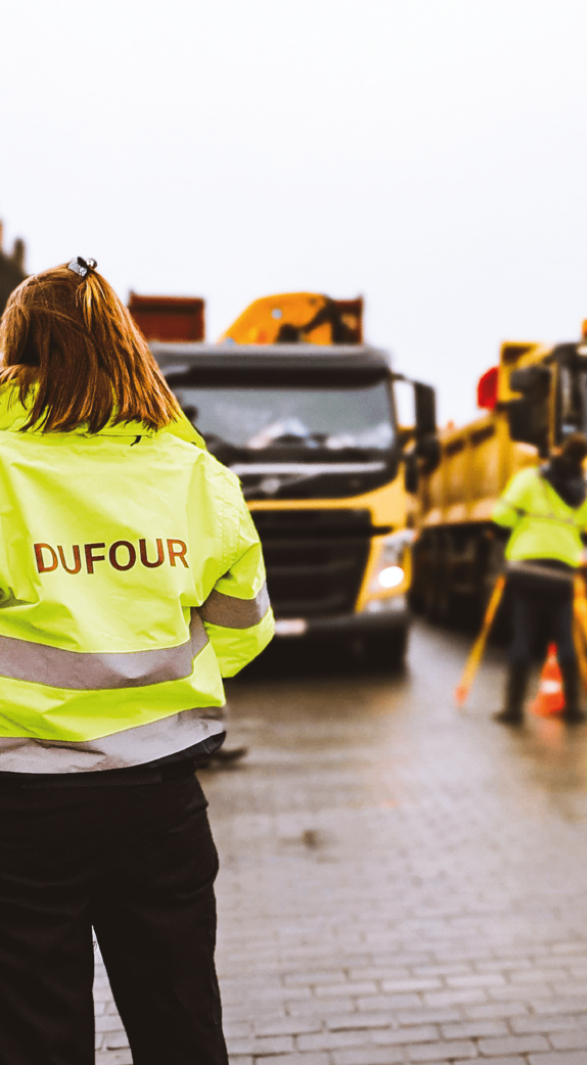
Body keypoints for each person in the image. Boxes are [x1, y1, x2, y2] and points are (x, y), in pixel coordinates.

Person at [0, 258, 274, 1065]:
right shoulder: (194, 475)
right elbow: (243, 629)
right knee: (181, 1022)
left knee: (34, 1034)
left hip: (21, 807)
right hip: (161, 800)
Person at [492, 432, 587, 725]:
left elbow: (501, 516)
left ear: (558, 450)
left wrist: (520, 521)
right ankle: (574, 708)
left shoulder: (530, 479)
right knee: (565, 639)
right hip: (562, 573)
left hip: (526, 570)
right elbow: (582, 525)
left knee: (523, 638)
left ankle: (512, 710)